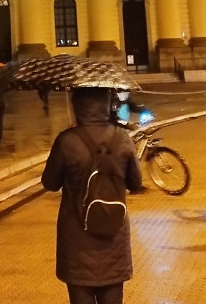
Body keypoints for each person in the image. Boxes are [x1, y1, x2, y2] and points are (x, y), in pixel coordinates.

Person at [41, 87, 144, 303]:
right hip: (114, 237)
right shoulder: (122, 137)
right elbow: (136, 183)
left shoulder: (66, 140)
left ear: (77, 106)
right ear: (107, 105)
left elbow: (50, 183)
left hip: (77, 238)